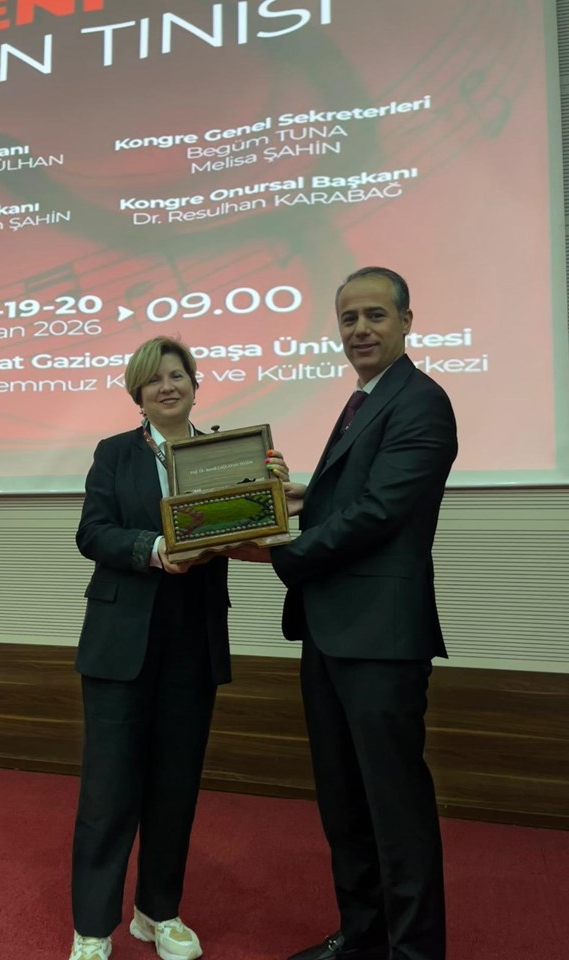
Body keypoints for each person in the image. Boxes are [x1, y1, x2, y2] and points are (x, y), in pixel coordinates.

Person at [234, 267, 457, 960]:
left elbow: (382, 511)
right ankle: (362, 937)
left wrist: (279, 553)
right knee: (344, 803)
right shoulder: (365, 400)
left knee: (394, 809)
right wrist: (302, 498)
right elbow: (356, 497)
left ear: (406, 322)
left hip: (381, 639)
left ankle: (413, 952)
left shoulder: (421, 401)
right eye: (349, 318)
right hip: (332, 632)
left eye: (375, 315)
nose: (360, 329)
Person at [69, 335, 287, 960]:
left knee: (175, 787)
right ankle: (92, 927)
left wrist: (271, 493)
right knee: (109, 791)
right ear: (137, 394)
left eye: (177, 376)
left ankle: (156, 912)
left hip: (192, 642)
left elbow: (252, 529)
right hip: (120, 645)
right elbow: (93, 533)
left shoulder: (228, 454)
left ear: (195, 384)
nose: (167, 387)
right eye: (153, 379)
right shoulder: (114, 453)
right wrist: (155, 549)